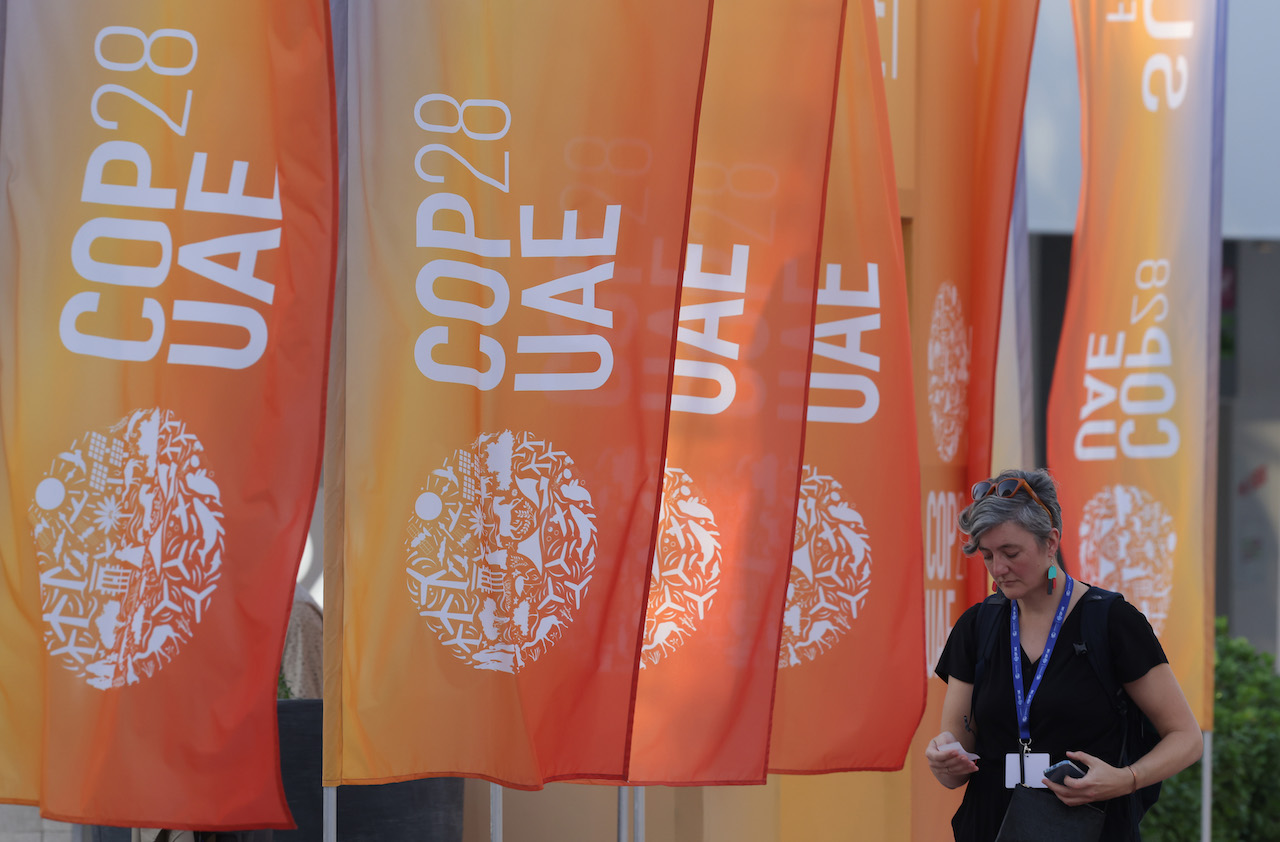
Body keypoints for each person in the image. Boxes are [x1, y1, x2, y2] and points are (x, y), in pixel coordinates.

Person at [924, 468, 1202, 841]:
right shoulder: (976, 626)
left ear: (1051, 541)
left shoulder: (1112, 621)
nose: (998, 569)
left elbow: (1186, 737)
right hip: (989, 829)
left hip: (1090, 829)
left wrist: (1125, 780)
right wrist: (943, 759)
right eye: (988, 555)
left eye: (1011, 552)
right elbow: (955, 769)